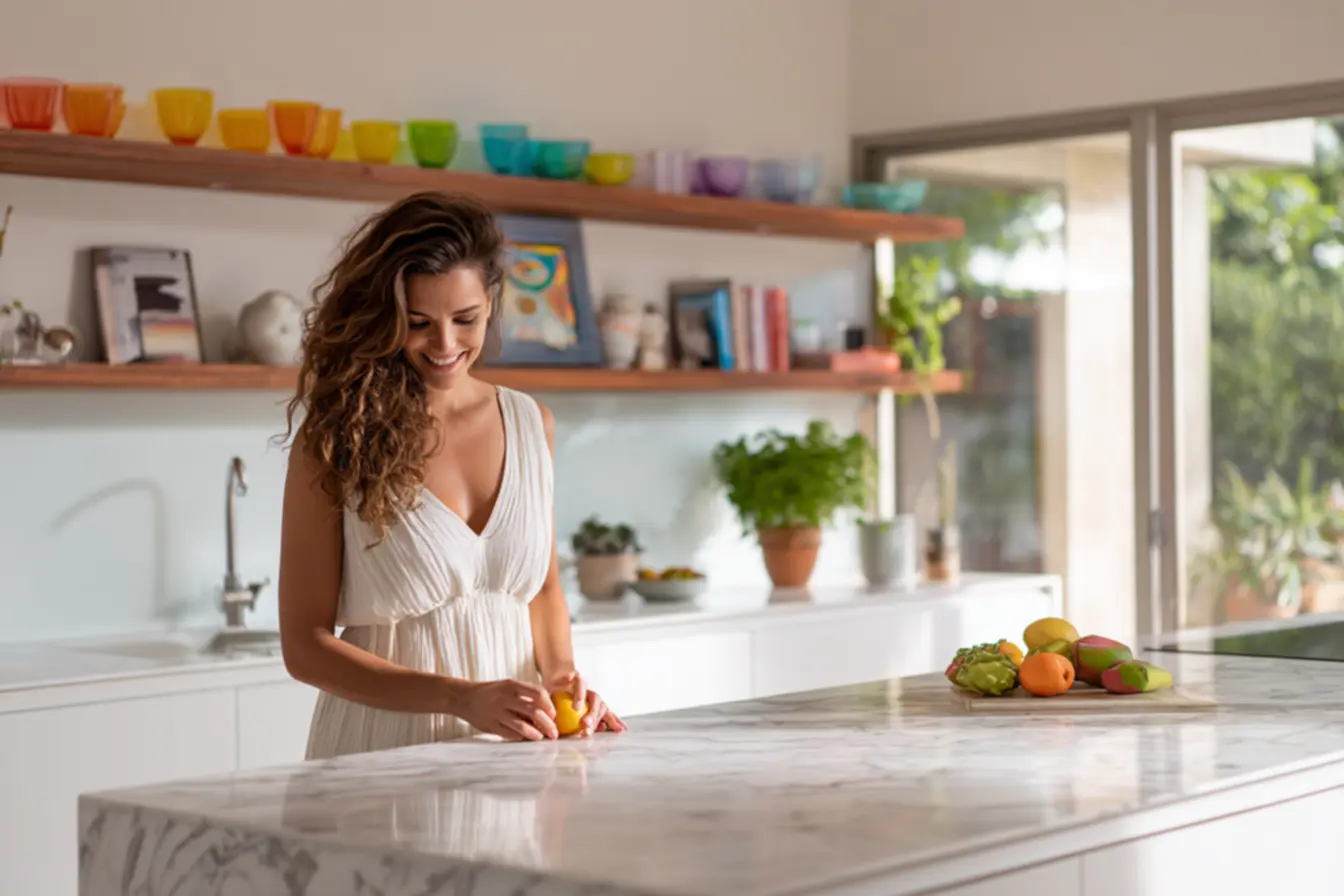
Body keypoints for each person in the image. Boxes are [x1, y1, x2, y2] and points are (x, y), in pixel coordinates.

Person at [277, 191, 626, 759]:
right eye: (418, 323)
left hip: (514, 746)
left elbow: (541, 587)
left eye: (465, 320)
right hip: (382, 750)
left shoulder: (530, 422)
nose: (444, 345)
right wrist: (460, 698)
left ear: (491, 302)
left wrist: (563, 679)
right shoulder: (338, 439)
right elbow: (304, 648)